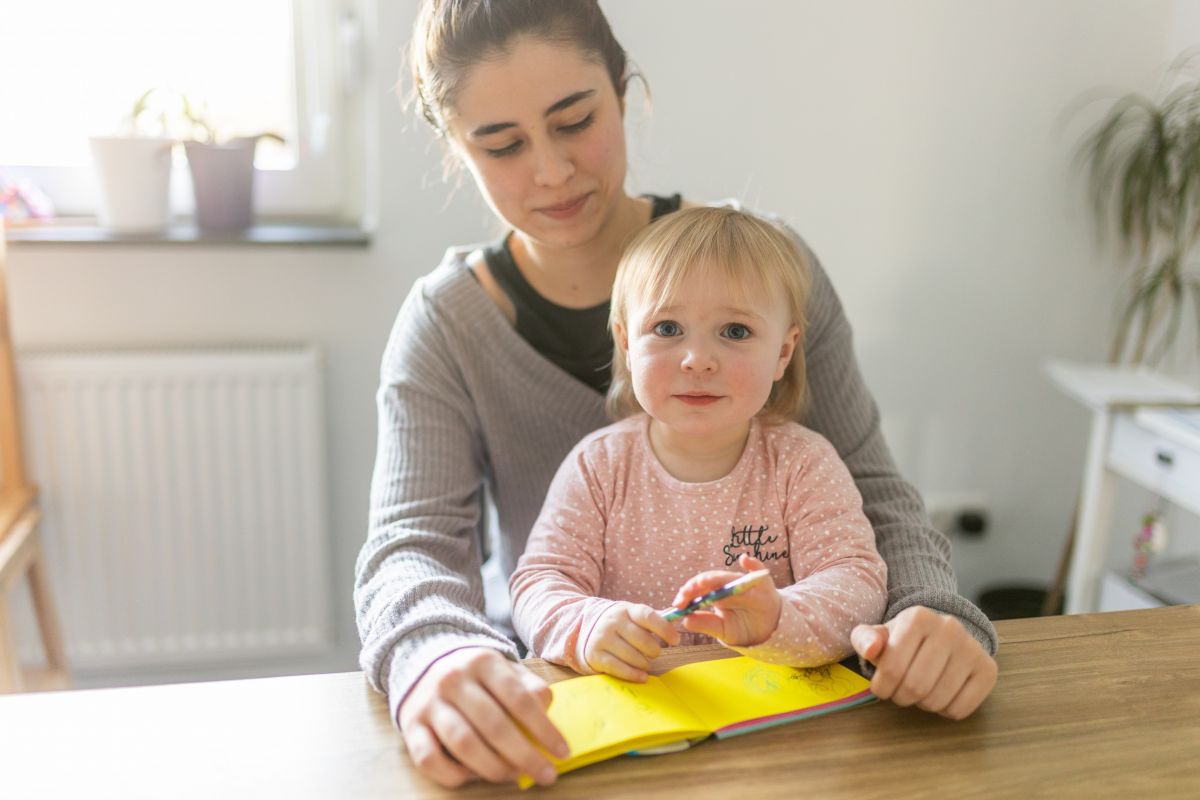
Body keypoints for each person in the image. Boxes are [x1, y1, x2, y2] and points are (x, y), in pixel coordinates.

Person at [355, 0, 999, 789]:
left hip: (786, 730)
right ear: (457, 149)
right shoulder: (446, 324)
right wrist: (436, 656)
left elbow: (873, 494)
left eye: (574, 120)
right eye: (503, 145)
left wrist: (934, 615)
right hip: (562, 714)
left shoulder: (769, 270)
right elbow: (410, 548)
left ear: (622, 93)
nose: (550, 170)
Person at [509, 206, 889, 679]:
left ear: (783, 353)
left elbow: (857, 581)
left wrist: (780, 617)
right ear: (628, 345)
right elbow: (540, 582)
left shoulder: (803, 464)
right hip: (637, 708)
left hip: (769, 715)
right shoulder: (597, 467)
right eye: (667, 329)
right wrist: (586, 627)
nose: (697, 360)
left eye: (735, 331)